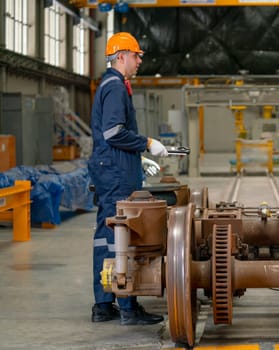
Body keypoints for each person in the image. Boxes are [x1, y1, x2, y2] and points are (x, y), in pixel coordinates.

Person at [88, 32, 169, 325]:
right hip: (116, 173)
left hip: (110, 167)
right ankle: (129, 308)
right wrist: (147, 144)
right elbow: (113, 132)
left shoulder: (109, 85)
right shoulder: (115, 87)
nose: (138, 61)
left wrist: (138, 157)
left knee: (106, 236)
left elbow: (110, 136)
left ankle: (104, 304)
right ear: (121, 56)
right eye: (136, 56)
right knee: (125, 234)